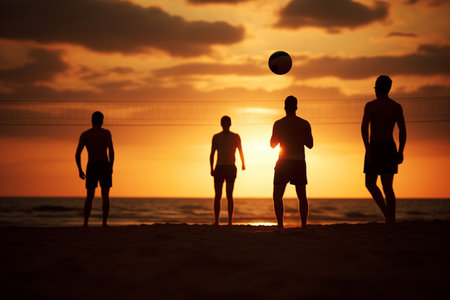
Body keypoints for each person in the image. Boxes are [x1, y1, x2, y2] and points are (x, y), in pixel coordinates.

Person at [362, 75, 406, 223]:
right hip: (389, 146)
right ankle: (390, 218)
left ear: (376, 89)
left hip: (375, 146)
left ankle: (388, 215)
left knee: (371, 183)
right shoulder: (396, 106)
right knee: (387, 186)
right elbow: (403, 131)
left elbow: (363, 128)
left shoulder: (371, 106)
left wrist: (368, 149)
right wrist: (400, 150)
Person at [270, 96, 313, 229]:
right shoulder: (304, 123)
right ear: (296, 107)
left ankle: (280, 225)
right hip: (299, 162)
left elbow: (272, 144)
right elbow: (310, 144)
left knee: (277, 195)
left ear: (284, 107)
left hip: (283, 162)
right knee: (301, 196)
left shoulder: (278, 123)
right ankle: (304, 226)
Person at [75, 111, 114, 227]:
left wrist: (80, 170)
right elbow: (111, 151)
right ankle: (104, 223)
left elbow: (77, 154)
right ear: (102, 121)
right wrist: (111, 166)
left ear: (92, 121)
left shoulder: (85, 135)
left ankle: (85, 223)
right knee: (105, 195)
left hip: (92, 164)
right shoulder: (106, 133)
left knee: (89, 196)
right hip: (103, 164)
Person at [210, 116, 245, 225]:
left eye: (227, 123)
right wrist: (211, 168)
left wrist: (243, 163)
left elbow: (240, 151)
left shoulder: (235, 136)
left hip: (230, 167)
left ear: (230, 124)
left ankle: (230, 221)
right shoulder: (216, 137)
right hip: (219, 167)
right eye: (223, 123)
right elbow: (212, 153)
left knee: (229, 195)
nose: (225, 125)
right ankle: (216, 221)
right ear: (221, 124)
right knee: (218, 195)